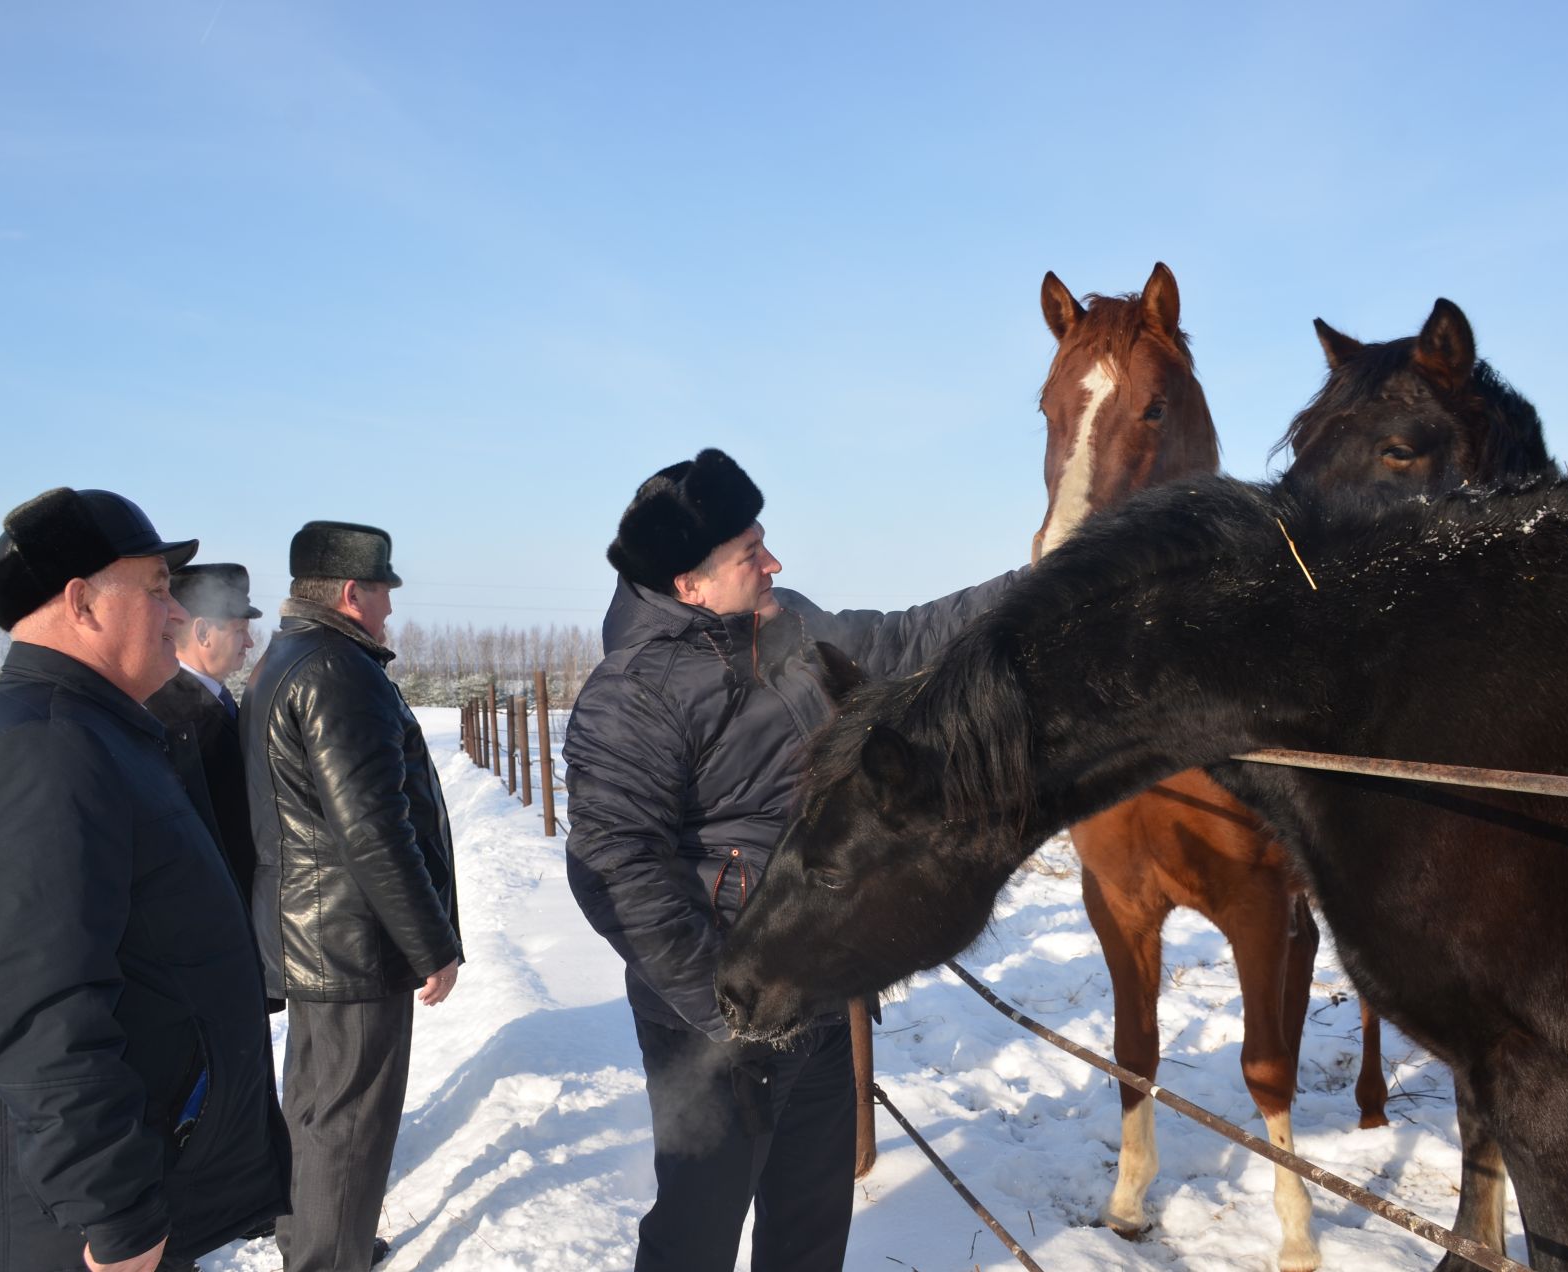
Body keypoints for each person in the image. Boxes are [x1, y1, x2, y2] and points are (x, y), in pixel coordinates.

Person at [563, 448, 1024, 1272]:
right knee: (697, 1235)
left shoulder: (788, 625)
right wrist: (724, 1008)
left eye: (763, 541)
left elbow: (902, 638)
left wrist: (1039, 579)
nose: (773, 561)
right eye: (750, 554)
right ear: (688, 585)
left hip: (817, 991)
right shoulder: (635, 694)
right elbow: (612, 864)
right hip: (716, 1023)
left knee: (812, 1227)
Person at [0, 487, 289, 1272]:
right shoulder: (45, 749)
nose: (175, 614)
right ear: (82, 602)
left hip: (131, 1185)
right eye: (157, 589)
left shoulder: (99, 731)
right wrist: (114, 1211)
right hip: (74, 1231)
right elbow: (41, 1006)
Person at [242, 520, 464, 1272]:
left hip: (313, 929)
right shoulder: (339, 671)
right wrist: (429, 942)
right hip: (350, 938)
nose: (390, 610)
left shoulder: (288, 657)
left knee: (315, 1102)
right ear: (349, 593)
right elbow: (373, 829)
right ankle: (326, 1259)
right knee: (350, 1122)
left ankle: (315, 1238)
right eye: (383, 592)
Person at [147, 562, 262, 904]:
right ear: (202, 633)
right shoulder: (167, 711)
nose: (250, 642)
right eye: (239, 630)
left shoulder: (214, 700)